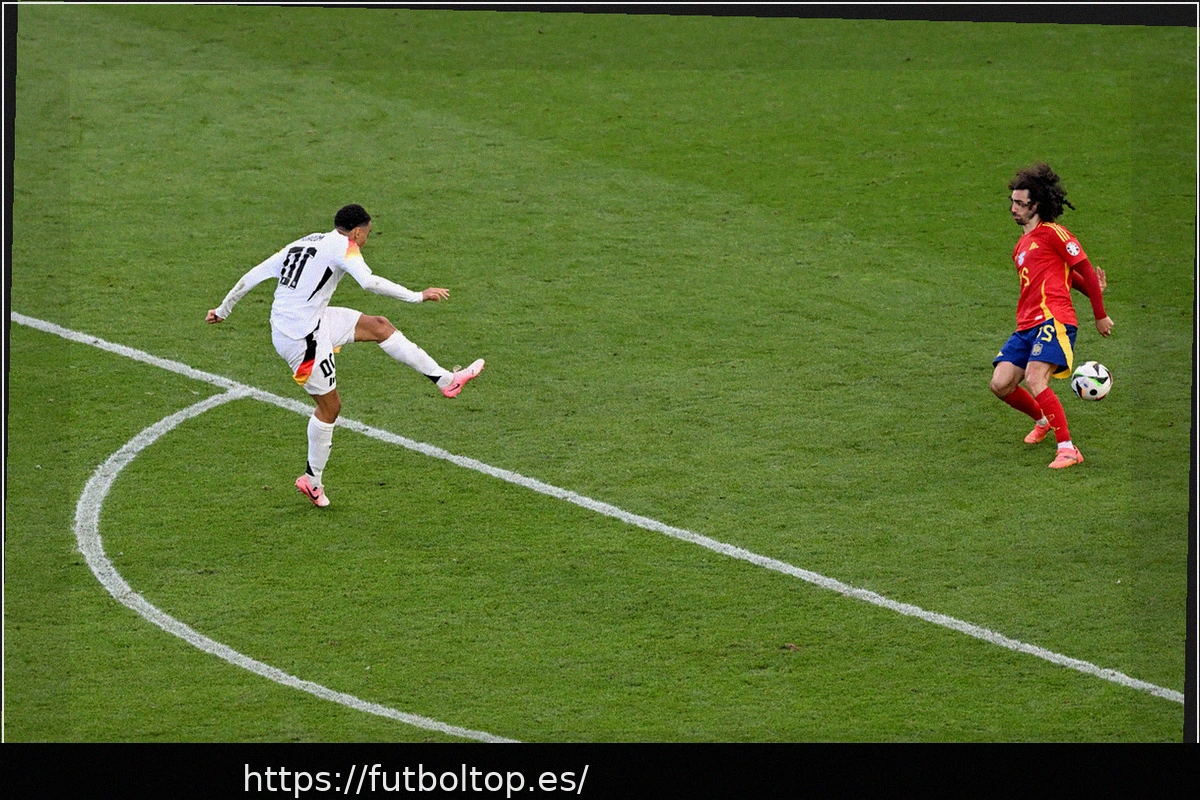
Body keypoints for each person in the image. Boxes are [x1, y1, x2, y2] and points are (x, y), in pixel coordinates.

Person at [206, 204, 484, 506]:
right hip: (302, 341)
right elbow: (369, 282)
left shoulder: (308, 240)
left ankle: (447, 380)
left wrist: (223, 310)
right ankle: (312, 480)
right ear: (357, 231)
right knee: (330, 408)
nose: (366, 239)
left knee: (379, 326)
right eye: (367, 233)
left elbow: (254, 274)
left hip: (305, 321)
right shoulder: (345, 246)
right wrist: (417, 296)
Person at [989, 163, 1113, 469]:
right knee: (1000, 384)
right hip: (1026, 325)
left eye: (1021, 204)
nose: (1014, 209)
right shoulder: (1020, 246)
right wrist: (1090, 290)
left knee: (1035, 378)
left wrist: (1099, 314)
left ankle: (1068, 449)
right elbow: (1066, 277)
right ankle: (1043, 420)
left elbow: (1084, 268)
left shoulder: (1054, 233)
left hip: (1054, 319)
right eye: (1013, 202)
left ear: (1036, 205)